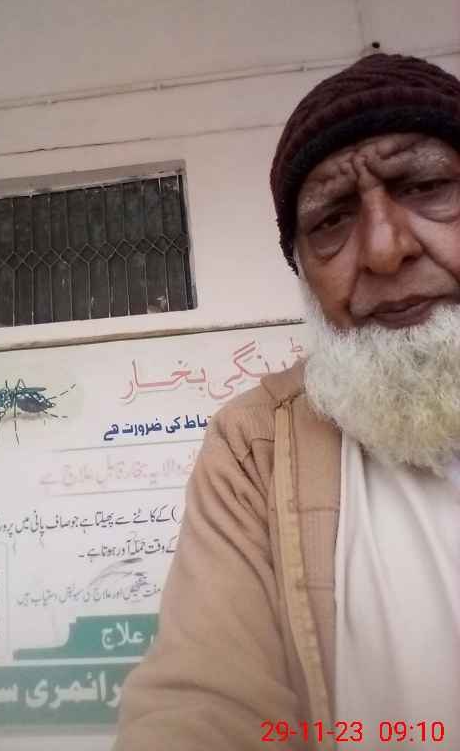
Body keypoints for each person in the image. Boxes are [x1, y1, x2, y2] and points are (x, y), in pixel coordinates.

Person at [112, 53, 460, 750]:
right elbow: (204, 705)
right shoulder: (254, 447)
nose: (384, 249)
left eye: (425, 186)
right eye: (331, 220)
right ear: (302, 271)